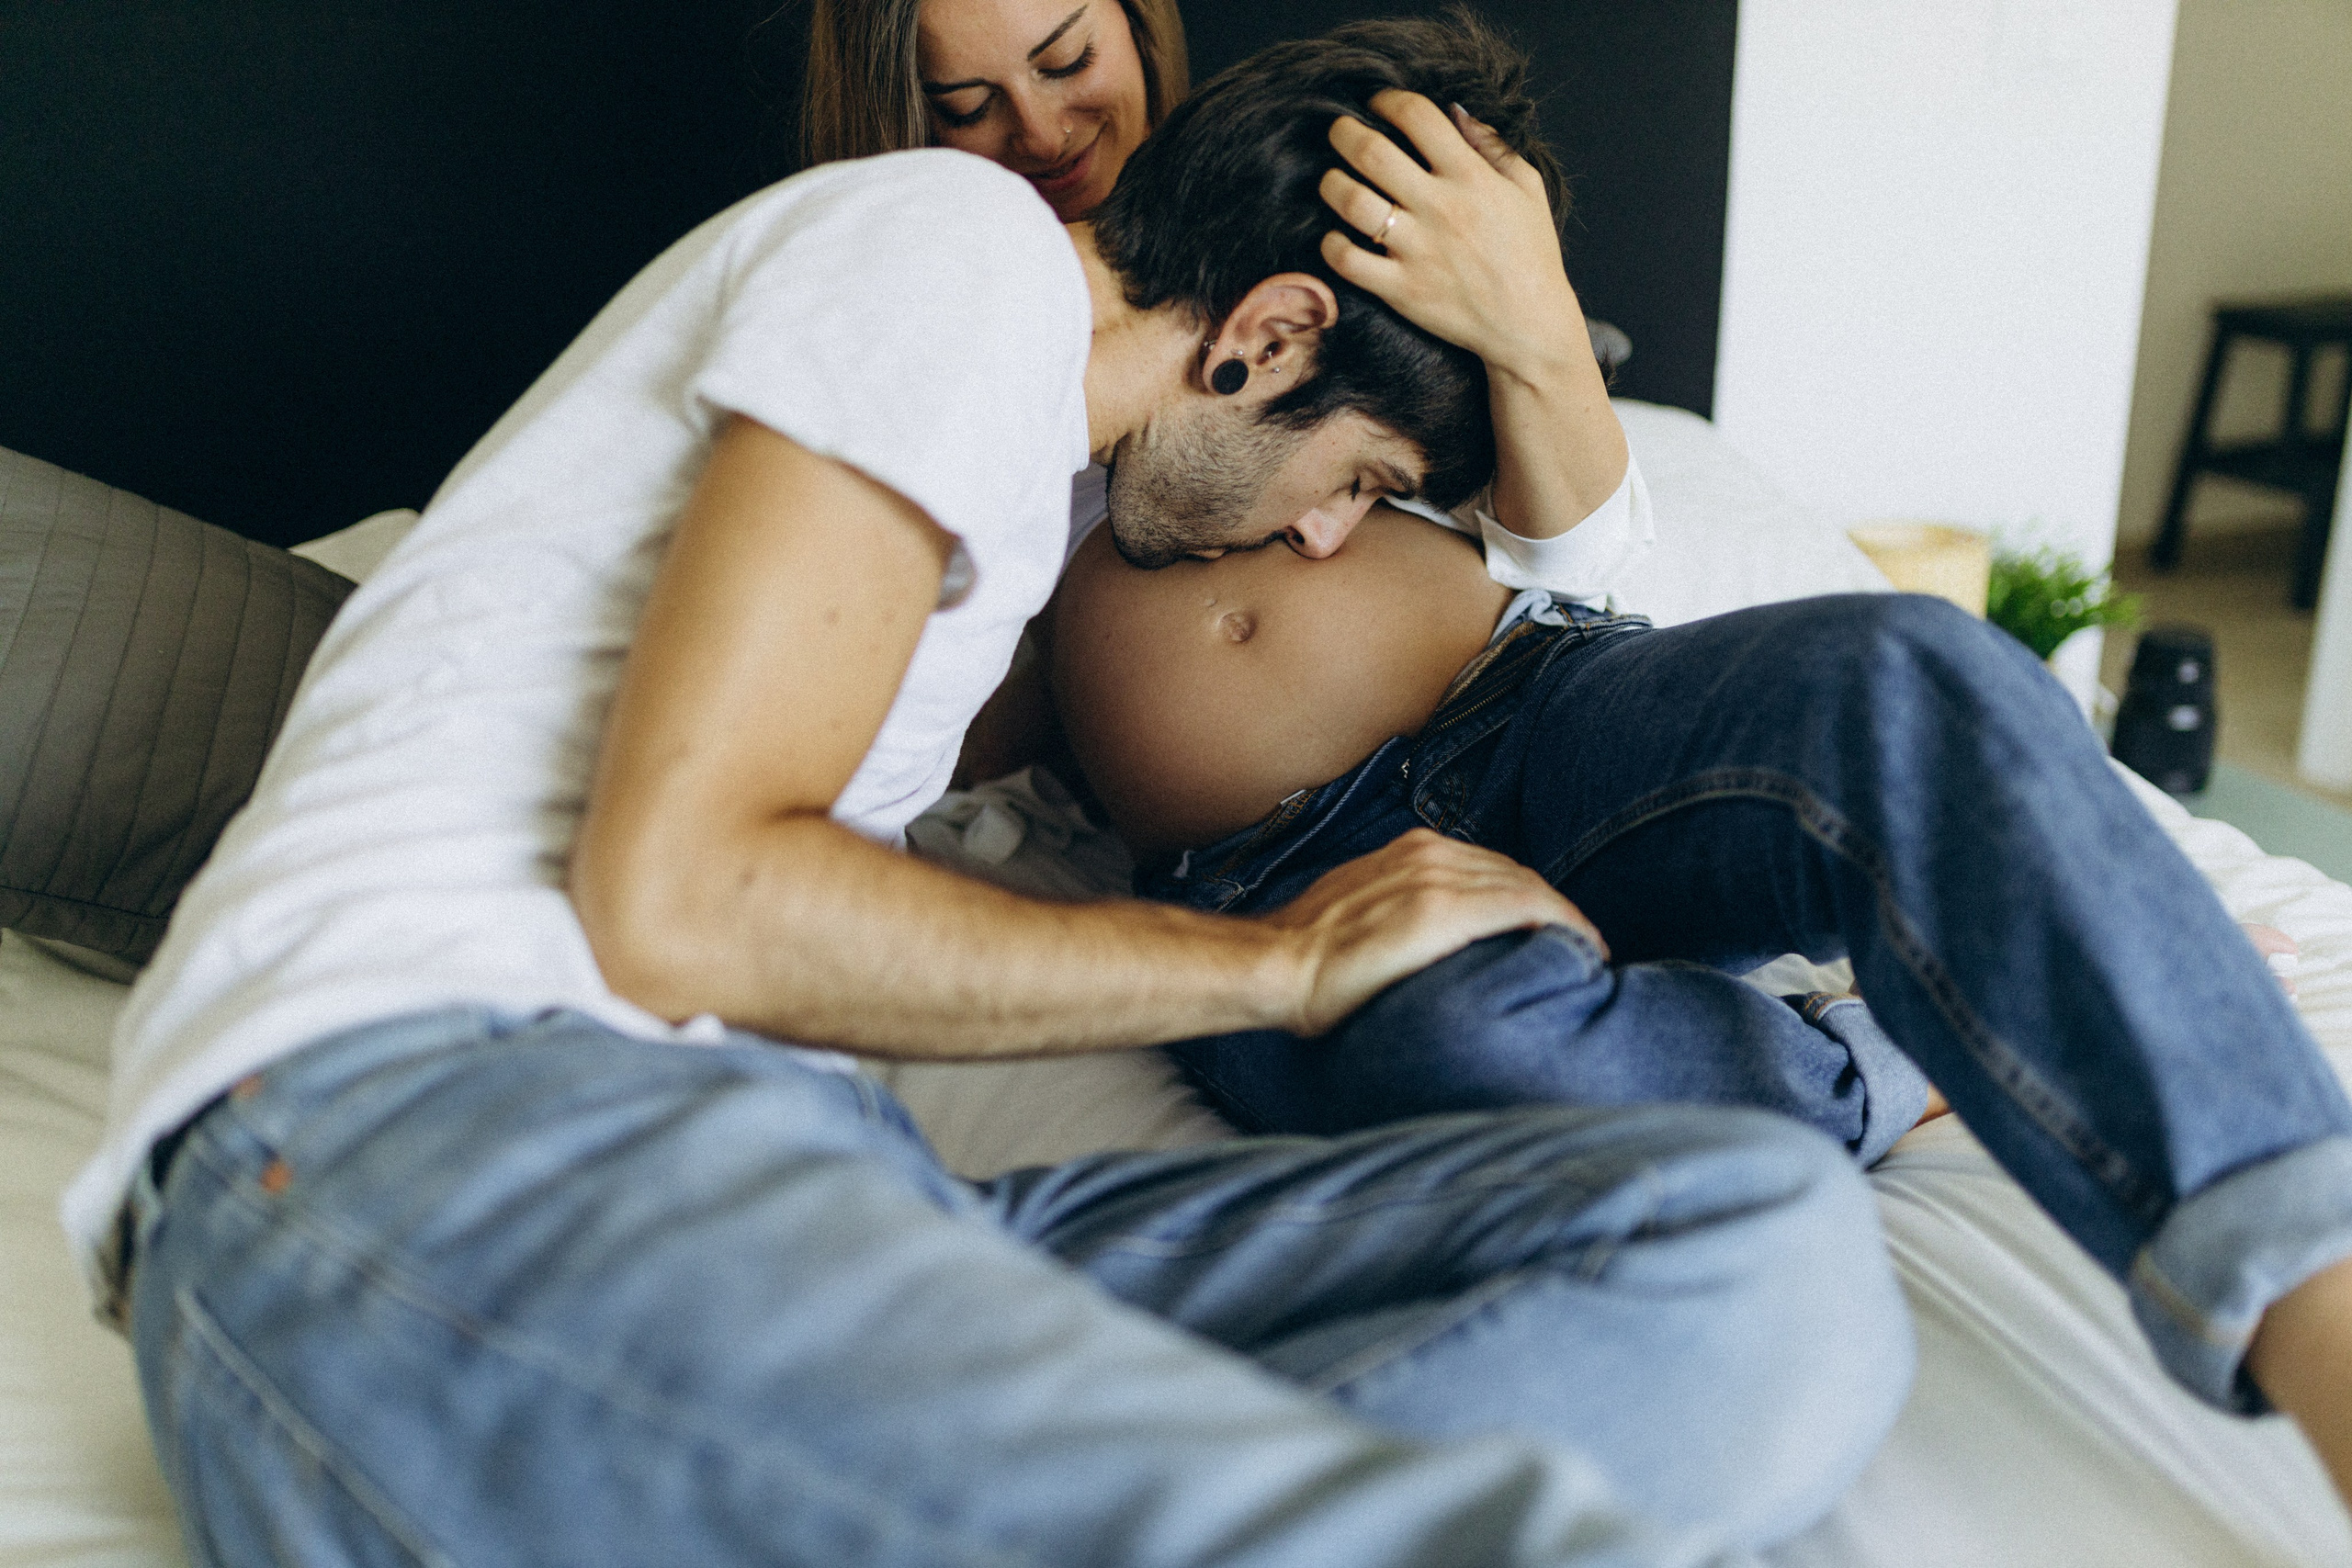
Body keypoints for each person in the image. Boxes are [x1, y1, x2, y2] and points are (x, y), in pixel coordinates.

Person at [65, 21, 1919, 1566]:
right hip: (438, 1125)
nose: (1324, 533)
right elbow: (687, 899)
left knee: (1761, 1250)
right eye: (1352, 480)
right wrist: (1282, 964)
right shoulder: (949, 244)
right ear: (1266, 337)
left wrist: (1534, 345)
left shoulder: (1018, 516)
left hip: (831, 1179)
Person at [793, 0, 2352, 1511]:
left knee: (1910, 671)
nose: (1041, 127)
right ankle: (1886, 1052)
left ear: (1139, 29)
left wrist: (1531, 321)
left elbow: (1582, 551)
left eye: (1067, 59)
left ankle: (2319, 1313)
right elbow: (890, 754)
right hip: (1280, 871)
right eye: (965, 104)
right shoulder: (921, 352)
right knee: (1457, 1042)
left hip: (1539, 705)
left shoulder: (1321, 216)